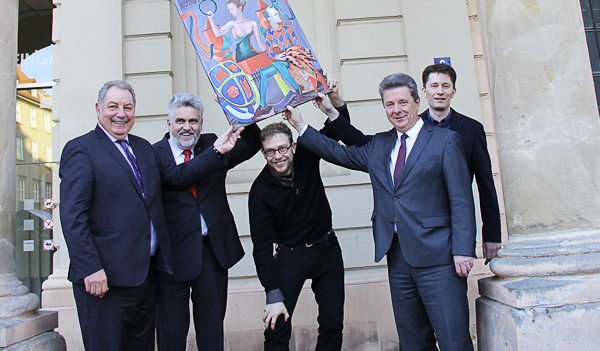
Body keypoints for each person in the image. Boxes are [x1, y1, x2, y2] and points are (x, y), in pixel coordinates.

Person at [283, 73, 477, 351]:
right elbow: (339, 154)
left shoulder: (445, 141)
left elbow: (461, 199)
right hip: (397, 257)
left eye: (402, 102)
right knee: (412, 341)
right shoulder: (380, 144)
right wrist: (301, 126)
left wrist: (463, 249)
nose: (396, 110)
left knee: (453, 340)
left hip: (439, 258)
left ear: (416, 102)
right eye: (389, 104)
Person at [59, 81, 244, 351]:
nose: (120, 113)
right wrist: (90, 268)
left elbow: (162, 191)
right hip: (104, 279)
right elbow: (73, 215)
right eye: (113, 107)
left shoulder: (143, 148)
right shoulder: (81, 149)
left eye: (128, 107)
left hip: (145, 277)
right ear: (98, 110)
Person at [248, 92, 361, 351]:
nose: (278, 156)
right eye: (270, 152)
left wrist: (335, 100)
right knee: (276, 327)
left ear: (293, 146)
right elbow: (262, 248)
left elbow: (339, 124)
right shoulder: (260, 192)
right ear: (264, 154)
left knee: (333, 324)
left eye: (282, 148)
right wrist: (272, 292)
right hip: (289, 255)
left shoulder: (308, 154)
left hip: (326, 249)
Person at [153, 93, 261, 351]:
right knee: (171, 333)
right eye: (180, 120)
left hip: (211, 252)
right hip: (172, 257)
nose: (186, 127)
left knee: (212, 331)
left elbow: (252, 143)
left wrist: (233, 105)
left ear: (201, 123)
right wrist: (216, 152)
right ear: (168, 123)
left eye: (193, 121)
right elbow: (178, 177)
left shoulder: (213, 142)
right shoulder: (154, 154)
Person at [420, 63, 502, 263]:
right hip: (421, 227)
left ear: (454, 91)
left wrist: (492, 235)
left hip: (459, 225)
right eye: (434, 86)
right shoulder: (413, 128)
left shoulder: (472, 129)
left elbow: (485, 184)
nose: (440, 91)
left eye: (445, 86)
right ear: (424, 91)